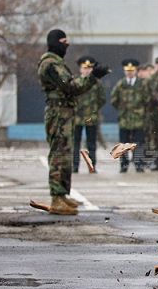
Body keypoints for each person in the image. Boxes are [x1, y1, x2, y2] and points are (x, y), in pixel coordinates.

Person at [38, 29, 109, 214]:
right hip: (58, 113)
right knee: (58, 155)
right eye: (63, 43)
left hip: (64, 113)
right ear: (54, 43)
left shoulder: (56, 62)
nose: (66, 47)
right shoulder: (51, 63)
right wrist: (93, 76)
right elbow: (70, 86)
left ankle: (61, 195)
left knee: (65, 154)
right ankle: (56, 197)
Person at [111, 58, 147, 173]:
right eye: (127, 70)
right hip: (124, 119)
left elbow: (147, 99)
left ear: (136, 70)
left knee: (138, 143)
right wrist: (123, 110)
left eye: (132, 70)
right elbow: (114, 100)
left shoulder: (141, 84)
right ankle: (124, 164)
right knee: (123, 144)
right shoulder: (121, 84)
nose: (130, 72)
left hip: (138, 119)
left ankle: (139, 164)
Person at [72, 56, 106, 174]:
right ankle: (74, 166)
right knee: (75, 143)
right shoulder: (75, 81)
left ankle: (92, 166)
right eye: (84, 68)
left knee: (91, 143)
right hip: (77, 117)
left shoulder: (96, 83)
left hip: (91, 117)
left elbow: (102, 98)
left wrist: (94, 109)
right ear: (80, 69)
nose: (87, 70)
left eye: (89, 68)